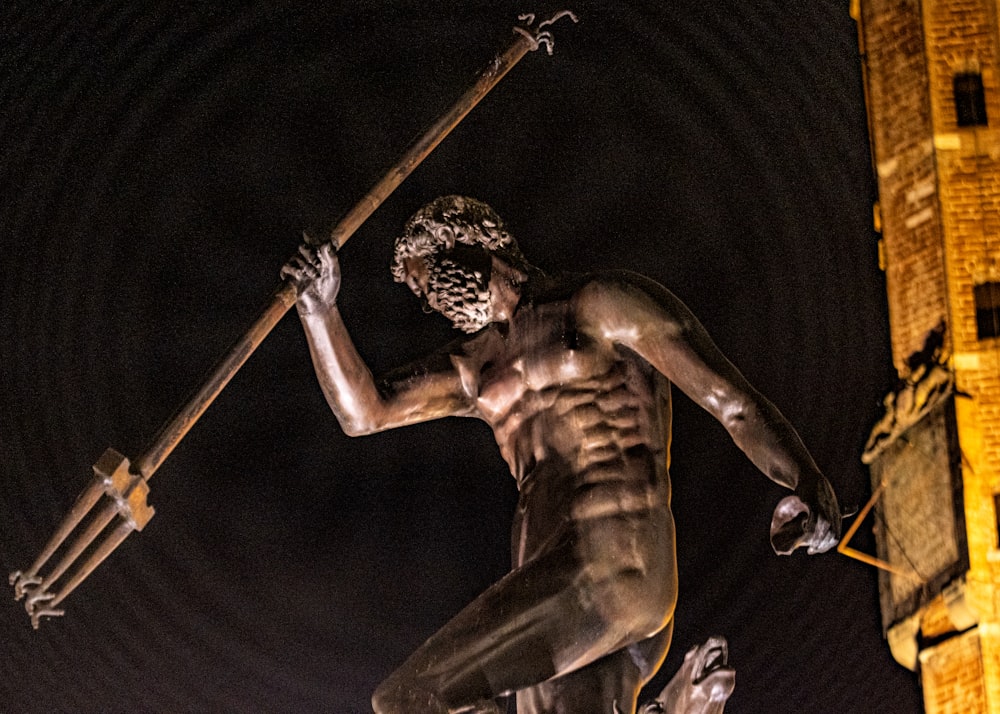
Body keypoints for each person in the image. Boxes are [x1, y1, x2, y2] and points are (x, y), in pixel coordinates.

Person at [281, 196, 841, 714]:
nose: (432, 304)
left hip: (611, 566)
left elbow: (730, 402)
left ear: (468, 243)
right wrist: (320, 311)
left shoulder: (599, 304)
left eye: (433, 283)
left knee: (408, 698)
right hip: (555, 600)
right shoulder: (475, 368)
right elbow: (366, 412)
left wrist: (805, 479)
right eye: (426, 297)